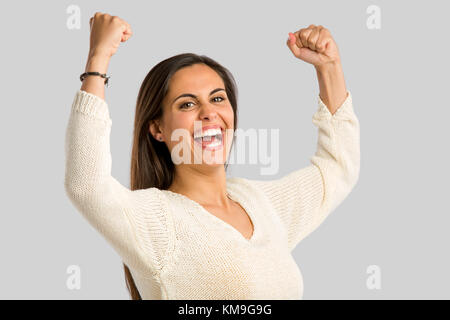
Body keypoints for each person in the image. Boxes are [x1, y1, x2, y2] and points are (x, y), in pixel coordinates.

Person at [64, 12, 360, 300]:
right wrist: (98, 60)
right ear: (157, 129)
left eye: (218, 98)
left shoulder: (262, 203)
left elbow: (337, 169)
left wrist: (329, 67)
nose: (209, 113)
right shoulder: (158, 221)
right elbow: (87, 185)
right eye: (187, 104)